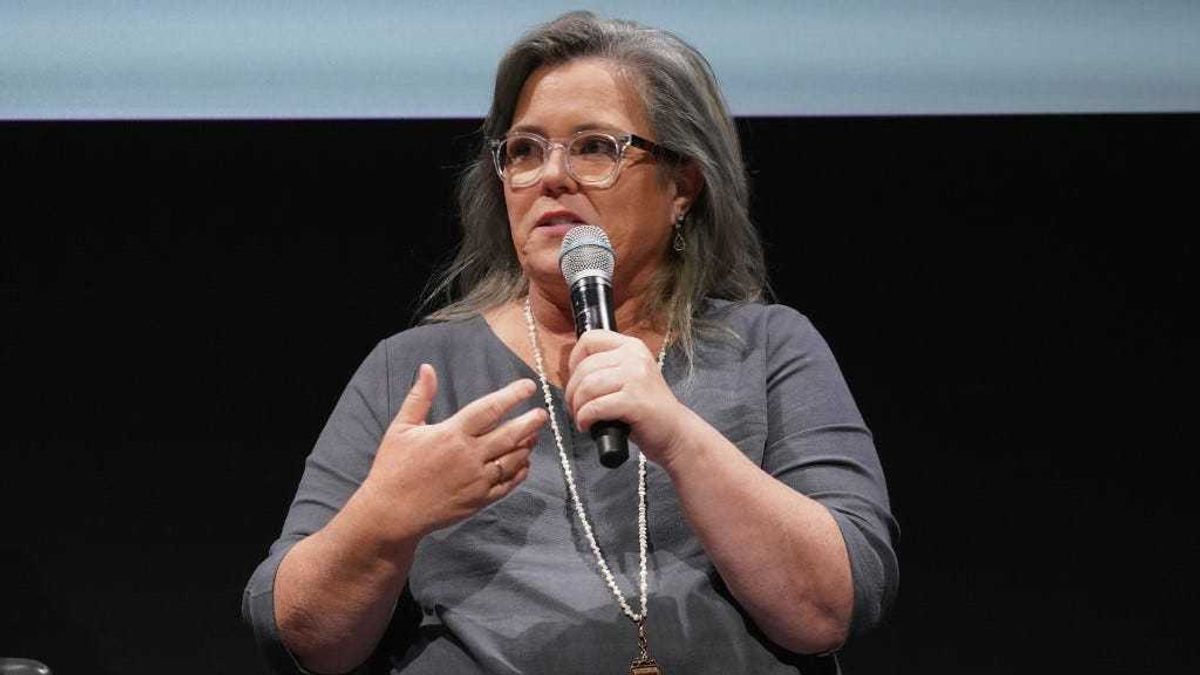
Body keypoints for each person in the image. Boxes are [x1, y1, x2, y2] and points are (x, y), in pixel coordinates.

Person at [244, 10, 898, 674]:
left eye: (594, 147)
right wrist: (385, 518)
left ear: (683, 184)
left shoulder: (767, 347)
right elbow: (299, 632)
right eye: (524, 150)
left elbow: (829, 608)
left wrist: (678, 436)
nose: (551, 175)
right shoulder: (416, 371)